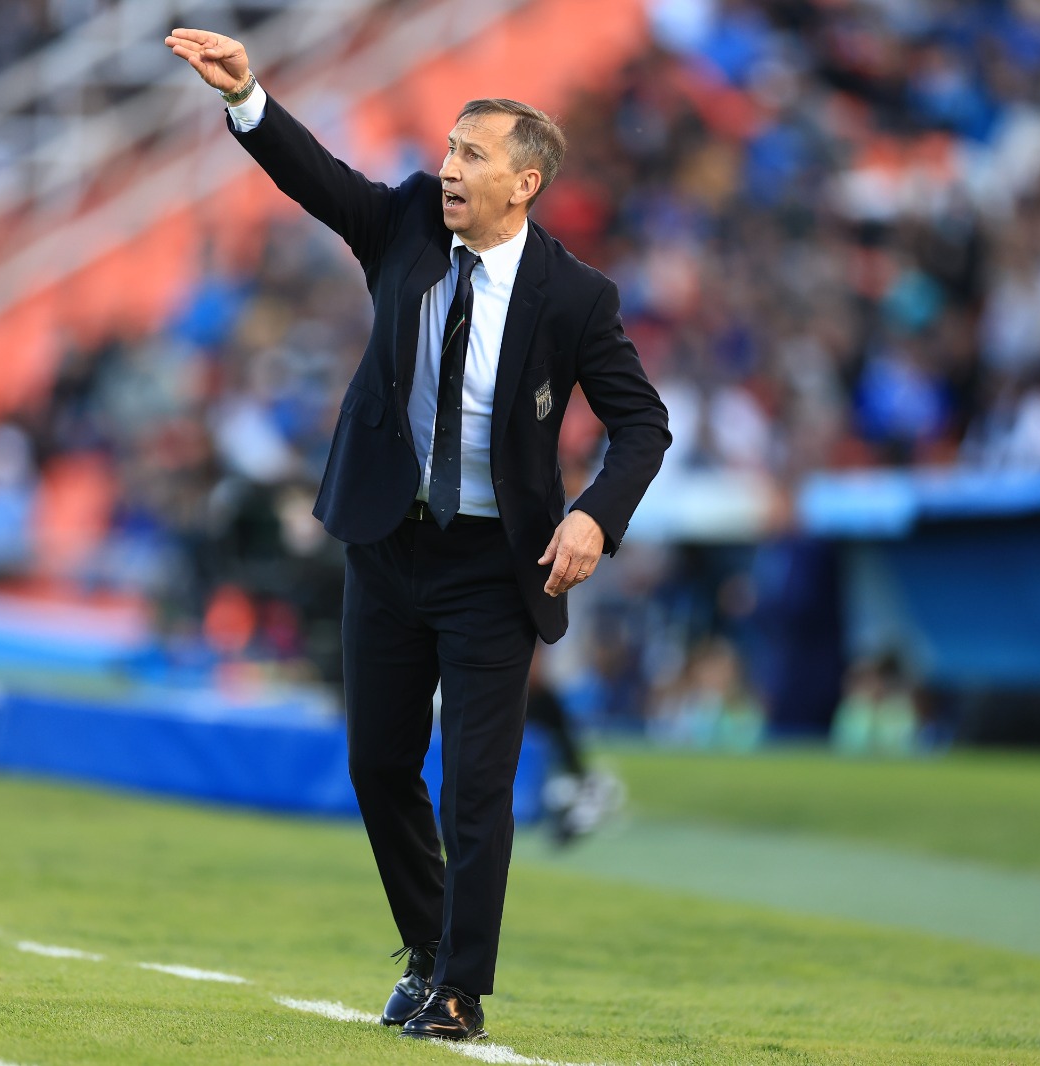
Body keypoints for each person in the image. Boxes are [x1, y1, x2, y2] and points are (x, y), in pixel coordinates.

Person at [165, 27, 671, 1042]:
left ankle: (459, 991)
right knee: (378, 764)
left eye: (471, 154)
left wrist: (593, 515)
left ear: (523, 184)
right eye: (447, 147)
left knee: (477, 786)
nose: (447, 166)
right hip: (387, 544)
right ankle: (429, 948)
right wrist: (247, 95)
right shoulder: (402, 223)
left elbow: (642, 425)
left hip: (495, 566)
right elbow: (318, 180)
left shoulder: (576, 298)